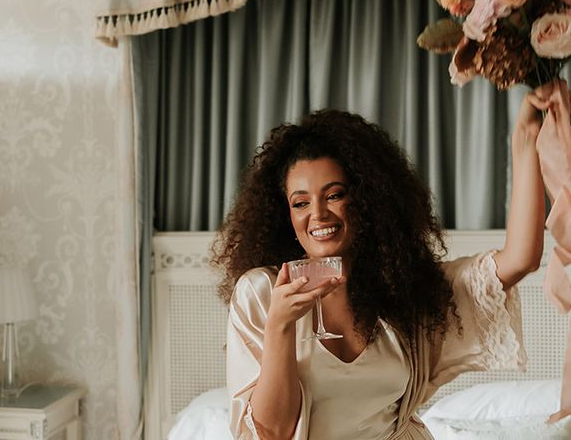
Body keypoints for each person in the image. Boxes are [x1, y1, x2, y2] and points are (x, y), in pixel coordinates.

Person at [213, 85, 553, 440]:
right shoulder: (262, 292)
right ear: (285, 215)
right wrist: (280, 327)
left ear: (367, 198)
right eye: (300, 203)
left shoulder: (404, 290)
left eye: (334, 195)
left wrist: (526, 140)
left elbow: (521, 259)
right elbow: (271, 433)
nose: (317, 214)